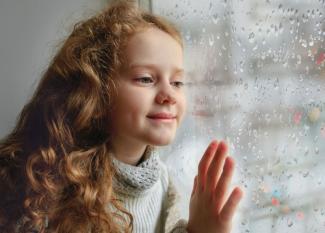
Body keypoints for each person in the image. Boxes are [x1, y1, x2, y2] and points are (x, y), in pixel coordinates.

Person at [0, 1, 243, 232]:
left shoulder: (162, 182)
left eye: (178, 82)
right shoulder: (51, 182)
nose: (169, 95)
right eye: (146, 79)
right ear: (96, 89)